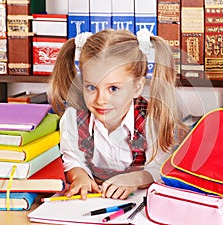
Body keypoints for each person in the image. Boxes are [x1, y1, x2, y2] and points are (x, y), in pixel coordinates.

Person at [48, 28, 188, 200]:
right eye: (91, 87)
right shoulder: (72, 118)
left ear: (137, 87)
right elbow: (73, 160)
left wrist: (134, 179)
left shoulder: (152, 119)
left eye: (113, 88)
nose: (101, 99)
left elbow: (160, 167)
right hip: (94, 200)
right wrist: (80, 177)